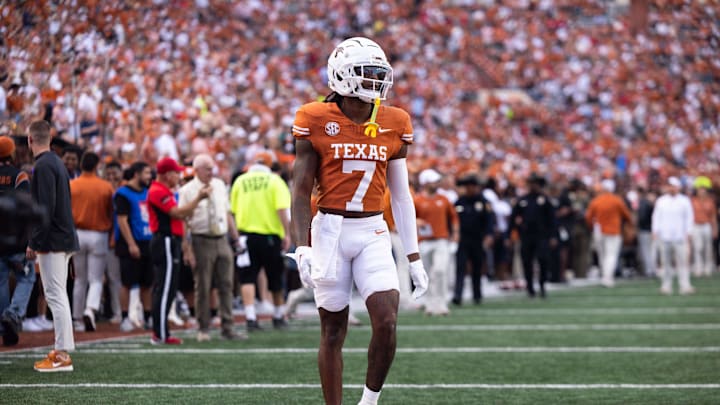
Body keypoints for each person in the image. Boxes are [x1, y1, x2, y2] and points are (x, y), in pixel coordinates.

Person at [290, 37, 429, 405]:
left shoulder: (395, 120)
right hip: (330, 231)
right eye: (367, 73)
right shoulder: (314, 117)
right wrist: (302, 245)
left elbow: (401, 194)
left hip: (372, 230)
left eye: (378, 73)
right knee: (333, 332)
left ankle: (368, 402)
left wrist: (413, 256)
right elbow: (300, 189)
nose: (376, 81)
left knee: (387, 321)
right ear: (342, 75)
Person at [26, 120, 79, 372]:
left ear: (29, 140)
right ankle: (62, 350)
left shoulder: (44, 165)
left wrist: (34, 242)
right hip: (63, 237)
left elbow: (43, 209)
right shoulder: (55, 162)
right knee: (60, 296)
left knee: (55, 296)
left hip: (53, 240)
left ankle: (61, 355)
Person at [180, 154, 245, 341]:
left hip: (221, 238)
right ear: (197, 170)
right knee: (203, 285)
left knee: (226, 284)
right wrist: (187, 247)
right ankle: (203, 327)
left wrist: (235, 238)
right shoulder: (188, 190)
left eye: (212, 168)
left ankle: (228, 326)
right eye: (207, 168)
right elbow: (183, 220)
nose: (211, 171)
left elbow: (227, 212)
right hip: (201, 239)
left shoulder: (218, 185)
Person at [147, 156, 211, 344]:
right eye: (176, 172)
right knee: (165, 288)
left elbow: (181, 214)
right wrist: (198, 198)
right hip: (164, 240)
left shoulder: (163, 190)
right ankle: (159, 333)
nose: (179, 175)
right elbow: (176, 213)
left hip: (169, 240)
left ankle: (162, 332)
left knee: (167, 287)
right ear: (167, 174)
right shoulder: (158, 191)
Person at [230, 151, 291, 331]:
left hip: (245, 235)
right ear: (270, 165)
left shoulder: (240, 181)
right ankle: (278, 315)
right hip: (270, 236)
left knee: (247, 277)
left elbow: (232, 210)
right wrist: (287, 234)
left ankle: (250, 317)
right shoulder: (275, 181)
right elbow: (281, 209)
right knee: (275, 276)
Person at [69, 151, 114, 331]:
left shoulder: (72, 185)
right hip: (98, 234)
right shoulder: (105, 187)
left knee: (79, 279)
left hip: (78, 233)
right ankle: (90, 309)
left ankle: (77, 318)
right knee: (95, 279)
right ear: (96, 166)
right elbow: (112, 211)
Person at [0, 135, 35, 346]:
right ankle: (12, 315)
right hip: (15, 238)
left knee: (1, 281)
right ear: (11, 153)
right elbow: (26, 208)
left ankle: (4, 326)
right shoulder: (19, 175)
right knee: (26, 278)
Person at [114, 161, 154, 331]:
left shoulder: (147, 191)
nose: (149, 177)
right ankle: (124, 318)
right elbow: (122, 221)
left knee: (147, 283)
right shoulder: (122, 193)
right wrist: (131, 244)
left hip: (147, 241)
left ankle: (148, 317)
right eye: (146, 173)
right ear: (136, 174)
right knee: (127, 283)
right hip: (129, 243)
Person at [414, 168, 459, 315]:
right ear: (426, 182)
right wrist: (416, 221)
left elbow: (453, 217)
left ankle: (442, 303)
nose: (437, 183)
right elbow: (408, 218)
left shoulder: (443, 199)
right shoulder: (417, 200)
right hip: (424, 241)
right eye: (434, 180)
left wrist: (456, 232)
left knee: (440, 270)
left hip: (441, 239)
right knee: (426, 274)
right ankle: (430, 304)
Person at [510, 173, 557, 298]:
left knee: (543, 260)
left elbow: (552, 219)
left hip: (542, 236)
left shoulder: (545, 200)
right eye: (531, 183)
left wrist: (553, 236)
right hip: (526, 235)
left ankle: (542, 285)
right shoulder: (523, 200)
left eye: (535, 183)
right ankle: (530, 287)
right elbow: (513, 217)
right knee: (527, 261)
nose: (533, 185)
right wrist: (512, 231)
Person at [452, 174, 494, 306]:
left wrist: (488, 235)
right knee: (461, 267)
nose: (469, 189)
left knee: (477, 267)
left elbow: (490, 221)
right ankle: (458, 295)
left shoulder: (483, 202)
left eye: (471, 186)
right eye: (467, 186)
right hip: (463, 239)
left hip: (478, 239)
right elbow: (453, 219)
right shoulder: (460, 202)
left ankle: (477, 295)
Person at [584, 179, 633, 287]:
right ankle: (607, 277)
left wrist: (592, 227)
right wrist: (629, 225)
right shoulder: (616, 200)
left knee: (602, 255)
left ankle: (604, 276)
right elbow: (627, 215)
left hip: (599, 231)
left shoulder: (596, 200)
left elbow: (588, 217)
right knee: (611, 255)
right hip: (613, 231)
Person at [652, 177, 695, 295]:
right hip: (664, 236)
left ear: (678, 187)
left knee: (683, 262)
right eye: (670, 186)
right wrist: (655, 231)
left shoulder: (684, 200)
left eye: (673, 186)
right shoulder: (661, 201)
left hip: (680, 236)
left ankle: (685, 285)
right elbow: (656, 217)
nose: (671, 188)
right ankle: (666, 286)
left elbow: (689, 217)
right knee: (665, 263)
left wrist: (689, 232)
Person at [690, 176, 717, 277]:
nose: (702, 191)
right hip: (696, 225)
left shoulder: (710, 201)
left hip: (706, 225)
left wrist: (715, 229)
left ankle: (707, 267)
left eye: (703, 189)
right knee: (697, 248)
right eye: (700, 189)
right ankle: (698, 267)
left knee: (708, 247)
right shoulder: (692, 201)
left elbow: (713, 216)